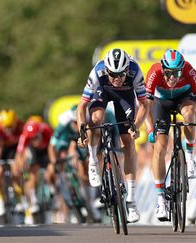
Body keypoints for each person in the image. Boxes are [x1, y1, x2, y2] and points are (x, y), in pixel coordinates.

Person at [76, 48, 148, 223]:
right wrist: (82, 131)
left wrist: (136, 126)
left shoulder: (135, 71)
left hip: (125, 97)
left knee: (128, 143)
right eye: (113, 74)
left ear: (127, 70)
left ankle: (131, 201)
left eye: (121, 75)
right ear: (106, 70)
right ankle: (93, 160)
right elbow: (82, 107)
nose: (117, 79)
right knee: (96, 119)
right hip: (102, 92)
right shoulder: (97, 72)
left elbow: (145, 105)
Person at [145, 49, 196, 221]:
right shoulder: (154, 72)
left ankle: (189, 157)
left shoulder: (189, 71)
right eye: (169, 73)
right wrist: (150, 129)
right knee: (160, 146)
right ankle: (160, 198)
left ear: (182, 69)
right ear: (163, 69)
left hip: (183, 99)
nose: (173, 78)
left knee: (190, 114)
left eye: (177, 73)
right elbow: (145, 107)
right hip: (162, 103)